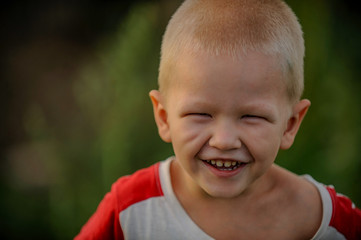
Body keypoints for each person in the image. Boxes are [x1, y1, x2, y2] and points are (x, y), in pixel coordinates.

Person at [75, 0, 361, 239]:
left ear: (290, 125)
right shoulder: (131, 211)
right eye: (200, 114)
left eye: (251, 116)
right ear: (163, 117)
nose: (224, 141)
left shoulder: (326, 222)